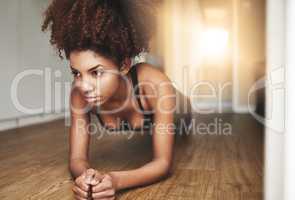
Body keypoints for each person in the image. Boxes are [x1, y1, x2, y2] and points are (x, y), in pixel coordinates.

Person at [42, 0, 192, 199]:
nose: (84, 86)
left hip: (181, 112)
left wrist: (116, 179)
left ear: (123, 65)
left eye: (96, 73)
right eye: (77, 73)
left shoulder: (155, 84)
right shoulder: (79, 94)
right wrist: (87, 177)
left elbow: (163, 164)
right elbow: (77, 159)